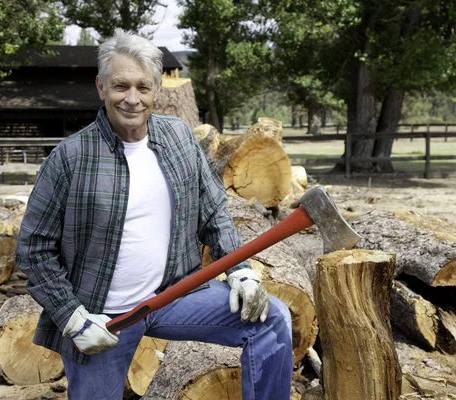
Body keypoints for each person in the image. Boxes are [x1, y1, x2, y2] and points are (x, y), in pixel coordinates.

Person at [15, 28, 292, 400]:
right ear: (101, 87)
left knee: (272, 320)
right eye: (120, 86)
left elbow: (213, 212)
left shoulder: (178, 138)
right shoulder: (70, 157)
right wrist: (72, 316)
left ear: (157, 90)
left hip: (174, 295)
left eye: (143, 88)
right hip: (103, 317)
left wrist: (240, 271)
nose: (132, 99)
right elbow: (33, 249)